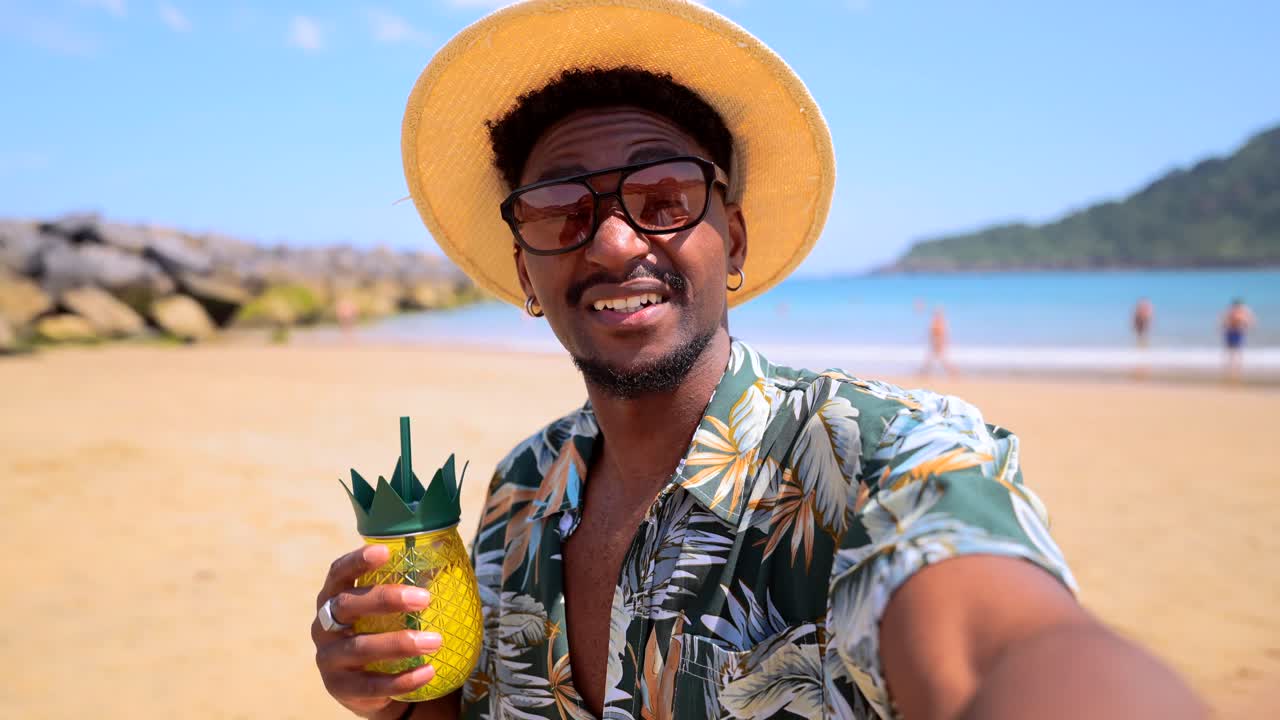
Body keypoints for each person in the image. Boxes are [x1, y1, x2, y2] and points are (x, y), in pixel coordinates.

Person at [311, 2, 1204, 719]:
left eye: (664, 196)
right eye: (559, 209)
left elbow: (1002, 647)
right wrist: (392, 692)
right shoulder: (520, 495)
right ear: (526, 273)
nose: (617, 241)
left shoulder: (876, 458)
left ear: (730, 241)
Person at [1222, 298, 1256, 381]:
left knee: (1236, 352)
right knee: (1231, 352)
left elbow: (1250, 320)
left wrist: (1245, 325)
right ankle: (1231, 371)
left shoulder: (1243, 311)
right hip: (1231, 331)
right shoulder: (1231, 311)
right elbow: (1224, 321)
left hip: (1237, 331)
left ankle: (1236, 371)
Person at [919, 305, 955, 376]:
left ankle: (953, 372)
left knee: (939, 360)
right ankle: (924, 373)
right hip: (936, 344)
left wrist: (939, 343)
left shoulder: (939, 323)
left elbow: (939, 334)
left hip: (937, 344)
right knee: (933, 360)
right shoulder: (939, 322)